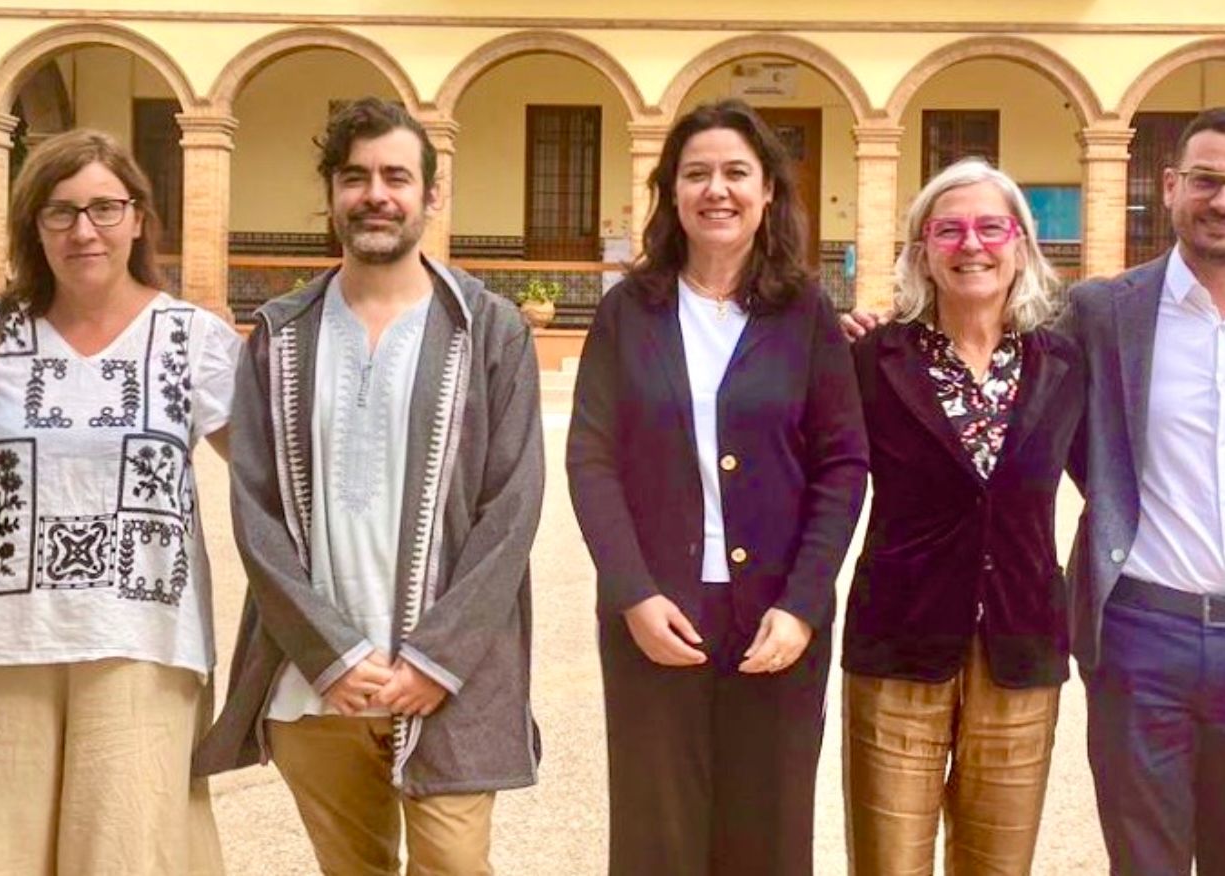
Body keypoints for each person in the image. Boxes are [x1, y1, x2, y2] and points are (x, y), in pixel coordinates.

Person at [845, 105, 1225, 875]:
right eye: (1207, 180)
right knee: (1140, 861)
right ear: (1172, 185)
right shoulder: (1101, 315)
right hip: (1141, 633)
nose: (1224, 201)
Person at [192, 97, 545, 876]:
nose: (376, 194)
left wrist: (434, 659)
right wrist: (333, 654)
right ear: (331, 194)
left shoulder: (490, 331)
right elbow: (257, 513)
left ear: (430, 194)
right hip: (317, 681)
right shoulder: (281, 335)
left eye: (396, 176)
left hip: (449, 678)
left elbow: (512, 510)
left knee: (455, 863)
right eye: (356, 177)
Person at [0, 128, 231, 876]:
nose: (84, 230)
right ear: (33, 226)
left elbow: (270, 480)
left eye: (105, 208)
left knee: (127, 855)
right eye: (60, 211)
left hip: (141, 642)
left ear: (139, 218)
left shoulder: (193, 340)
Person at [566, 98, 868, 876]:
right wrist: (632, 593)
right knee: (656, 831)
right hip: (657, 615)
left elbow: (842, 466)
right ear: (671, 192)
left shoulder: (804, 312)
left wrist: (803, 605)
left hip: (775, 619)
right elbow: (590, 459)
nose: (717, 189)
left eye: (737, 172)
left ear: (768, 190)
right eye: (696, 173)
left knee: (767, 831)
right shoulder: (628, 311)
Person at [841, 158, 1082, 875]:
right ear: (921, 252)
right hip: (900, 645)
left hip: (1020, 646)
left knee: (998, 866)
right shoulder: (873, 357)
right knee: (889, 864)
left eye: (989, 227)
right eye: (948, 230)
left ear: (1020, 245)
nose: (970, 244)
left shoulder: (1063, 362)